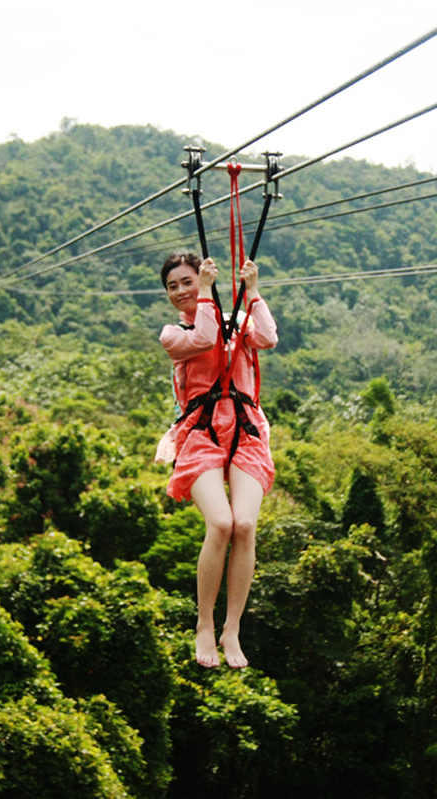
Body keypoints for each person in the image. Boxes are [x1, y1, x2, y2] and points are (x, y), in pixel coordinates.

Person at [157, 252, 278, 668]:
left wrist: (253, 291)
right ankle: (205, 624)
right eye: (172, 286)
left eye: (187, 282)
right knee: (222, 523)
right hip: (201, 432)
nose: (180, 292)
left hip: (244, 429)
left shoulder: (236, 324)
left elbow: (268, 338)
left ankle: (232, 629)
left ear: (202, 279)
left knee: (244, 525)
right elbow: (205, 339)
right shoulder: (173, 334)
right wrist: (207, 291)